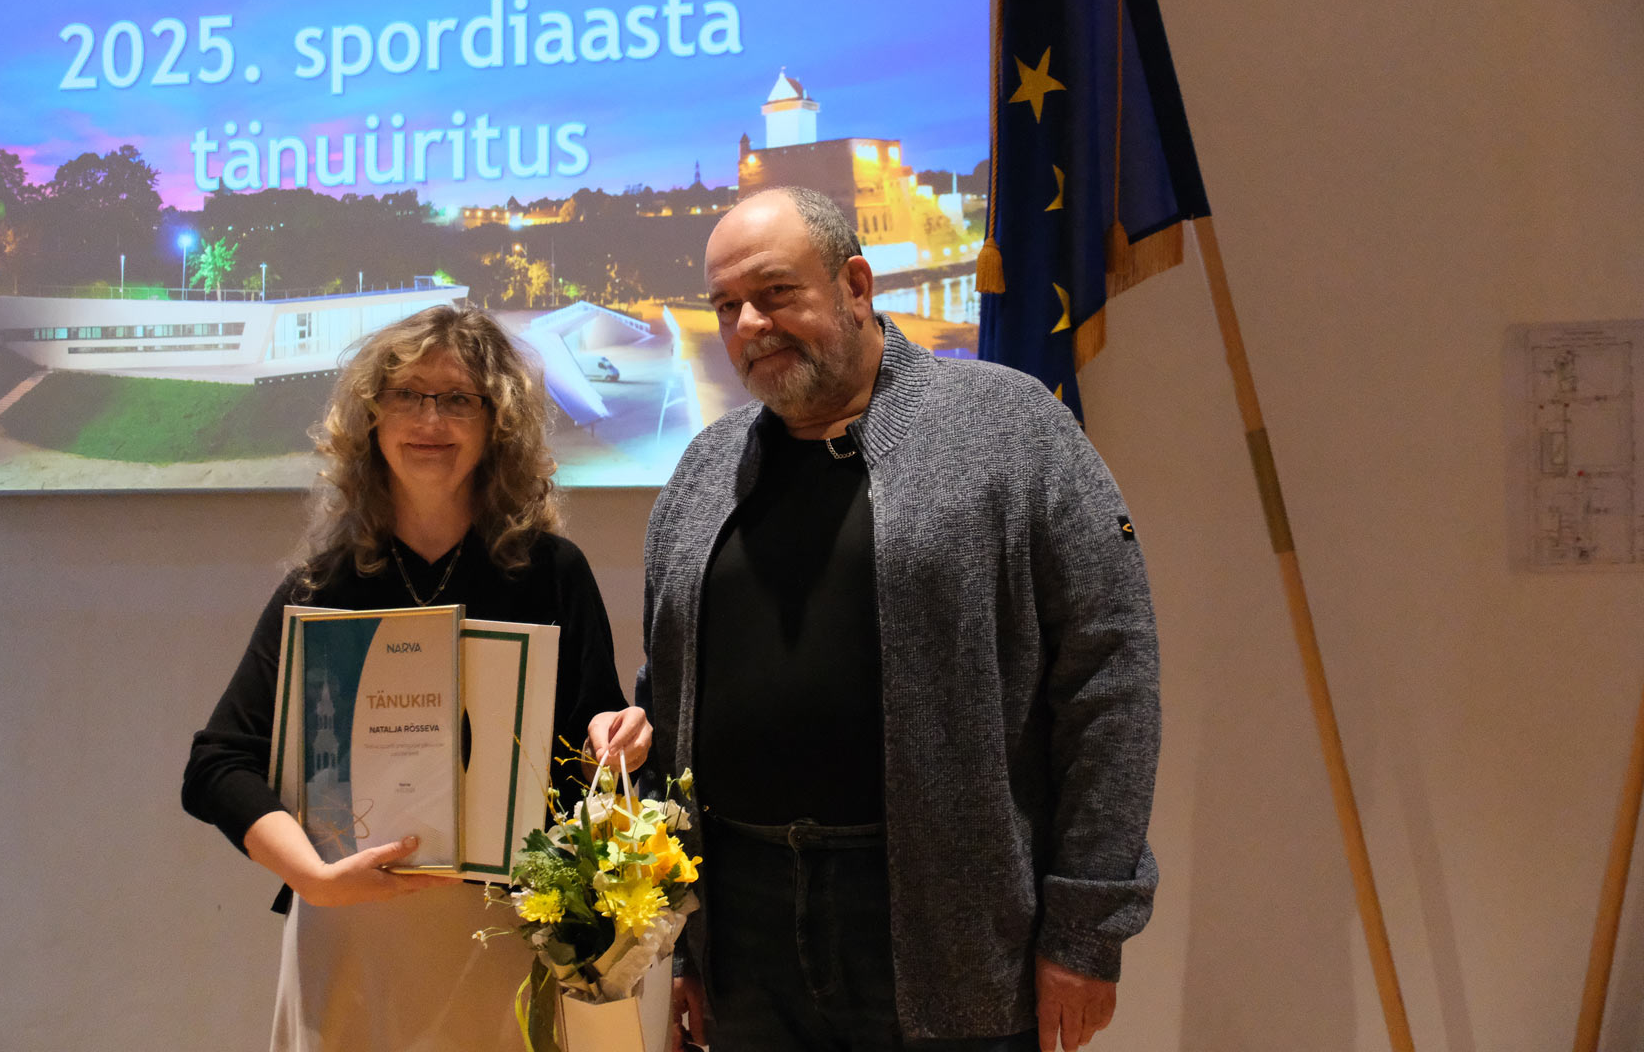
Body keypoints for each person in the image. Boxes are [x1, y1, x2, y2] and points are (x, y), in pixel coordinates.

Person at [637, 188, 1160, 1052]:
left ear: (854, 284)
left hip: (948, 928)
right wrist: (681, 937)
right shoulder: (704, 469)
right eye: (727, 306)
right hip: (742, 930)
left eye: (775, 293)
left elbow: (1111, 674)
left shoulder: (1010, 425)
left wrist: (1086, 926)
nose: (750, 325)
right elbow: (666, 693)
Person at [182, 304, 650, 1051]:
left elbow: (589, 740)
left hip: (503, 940)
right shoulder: (322, 587)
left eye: (459, 398)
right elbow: (217, 764)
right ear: (372, 419)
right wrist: (313, 877)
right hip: (350, 936)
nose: (431, 420)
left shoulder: (552, 574)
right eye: (407, 395)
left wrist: (617, 737)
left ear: (497, 423)